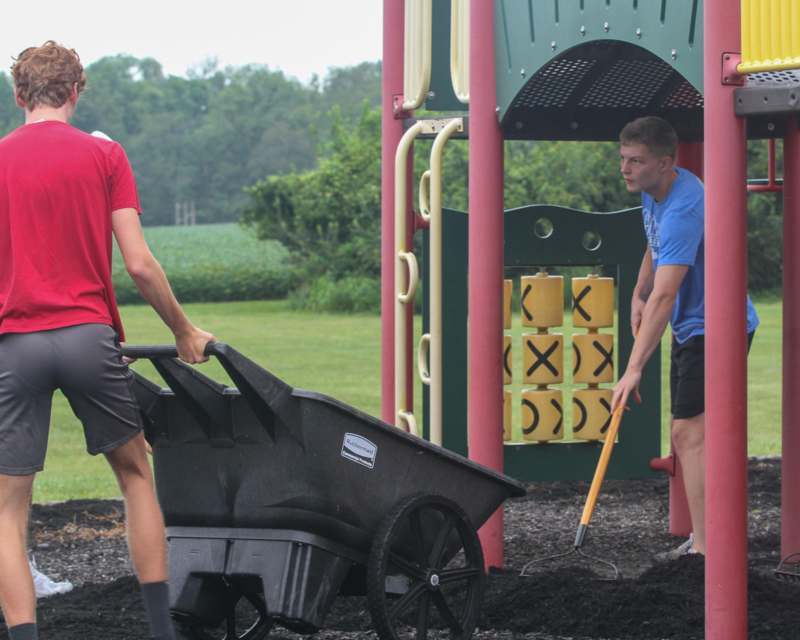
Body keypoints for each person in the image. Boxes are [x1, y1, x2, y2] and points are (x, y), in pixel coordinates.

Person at [0, 41, 216, 640]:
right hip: (87, 338)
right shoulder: (104, 155)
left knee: (7, 508)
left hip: (14, 344)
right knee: (136, 475)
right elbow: (141, 266)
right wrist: (183, 331)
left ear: (19, 96)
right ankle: (160, 632)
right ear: (75, 93)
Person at [610, 116, 758, 559]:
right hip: (695, 325)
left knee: (689, 434)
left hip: (717, 326)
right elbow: (656, 248)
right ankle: (709, 541)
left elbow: (668, 293)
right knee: (690, 433)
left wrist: (633, 368)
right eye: (623, 159)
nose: (626, 169)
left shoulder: (684, 205)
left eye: (636, 161)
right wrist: (638, 291)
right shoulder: (657, 193)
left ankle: (709, 548)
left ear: (665, 162)